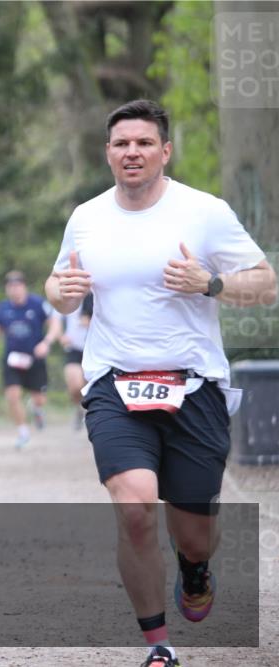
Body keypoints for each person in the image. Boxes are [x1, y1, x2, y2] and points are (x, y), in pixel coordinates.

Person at [45, 99, 276, 667]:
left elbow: (266, 284)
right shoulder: (87, 216)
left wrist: (212, 283)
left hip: (193, 385)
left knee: (195, 534)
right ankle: (158, 645)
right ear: (108, 153)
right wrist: (64, 292)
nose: (132, 152)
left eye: (144, 143)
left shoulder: (204, 212)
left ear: (165, 151)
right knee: (135, 507)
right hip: (113, 384)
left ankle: (194, 569)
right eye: (122, 144)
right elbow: (58, 284)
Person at [0, 270, 62, 448]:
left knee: (39, 398)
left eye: (17, 286)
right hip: (12, 359)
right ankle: (23, 432)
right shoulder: (3, 307)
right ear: (6, 289)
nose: (14, 290)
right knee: (12, 395)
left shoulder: (38, 304)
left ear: (24, 287)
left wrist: (46, 343)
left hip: (35, 358)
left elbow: (55, 325)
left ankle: (37, 409)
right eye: (10, 287)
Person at [61, 293, 93, 430]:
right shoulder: (67, 295)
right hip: (73, 348)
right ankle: (79, 408)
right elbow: (55, 320)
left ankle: (89, 411)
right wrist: (61, 336)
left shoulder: (97, 295)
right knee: (75, 385)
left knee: (88, 385)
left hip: (93, 347)